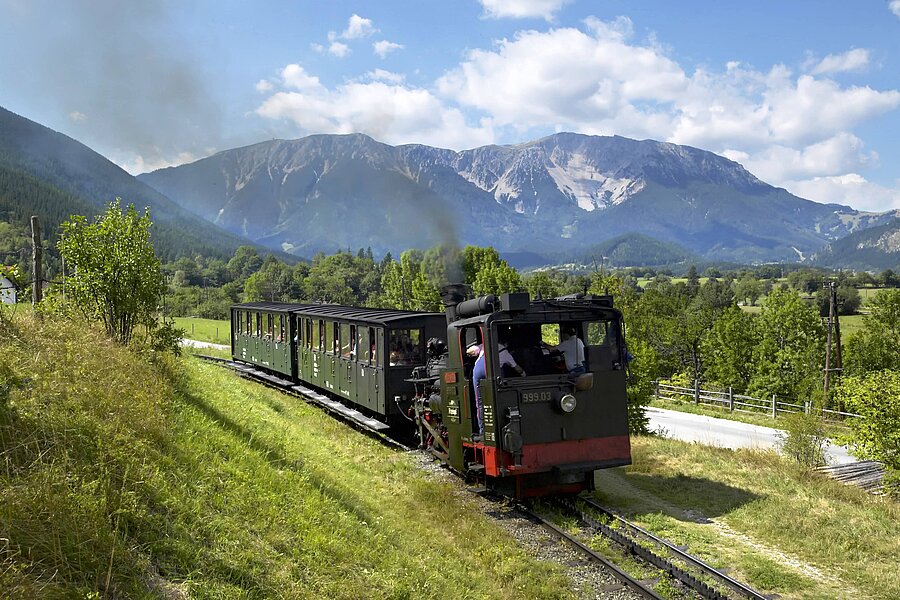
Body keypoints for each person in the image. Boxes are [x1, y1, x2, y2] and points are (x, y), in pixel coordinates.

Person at [468, 340, 486, 438]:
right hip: (496, 373)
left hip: (479, 371)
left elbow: (469, 351)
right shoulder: (504, 351)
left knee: (479, 403)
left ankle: (482, 431)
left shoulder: (483, 346)